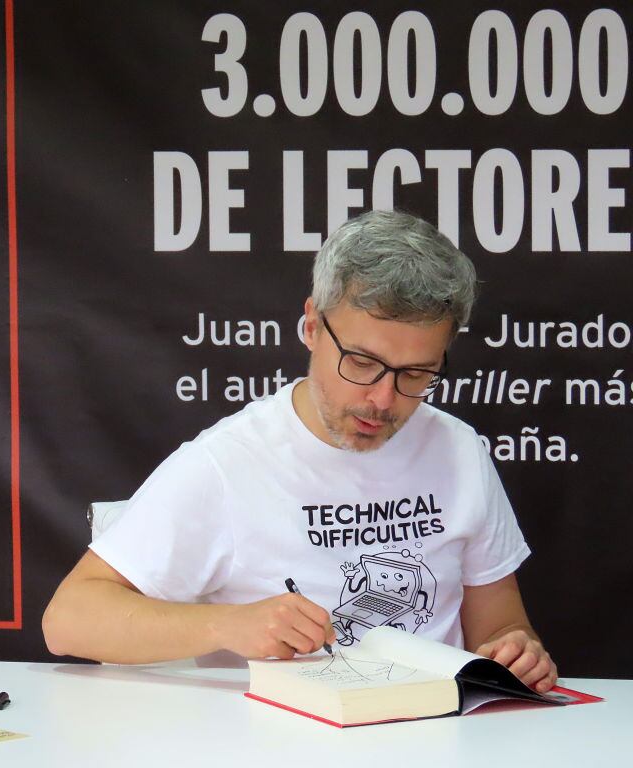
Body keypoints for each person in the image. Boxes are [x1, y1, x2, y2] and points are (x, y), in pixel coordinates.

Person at [43, 209, 558, 694]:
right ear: (312, 327)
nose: (382, 400)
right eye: (361, 363)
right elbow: (68, 620)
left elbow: (501, 623)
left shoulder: (458, 449)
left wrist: (517, 649)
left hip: (439, 735)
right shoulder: (229, 463)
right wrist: (227, 625)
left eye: (416, 375)